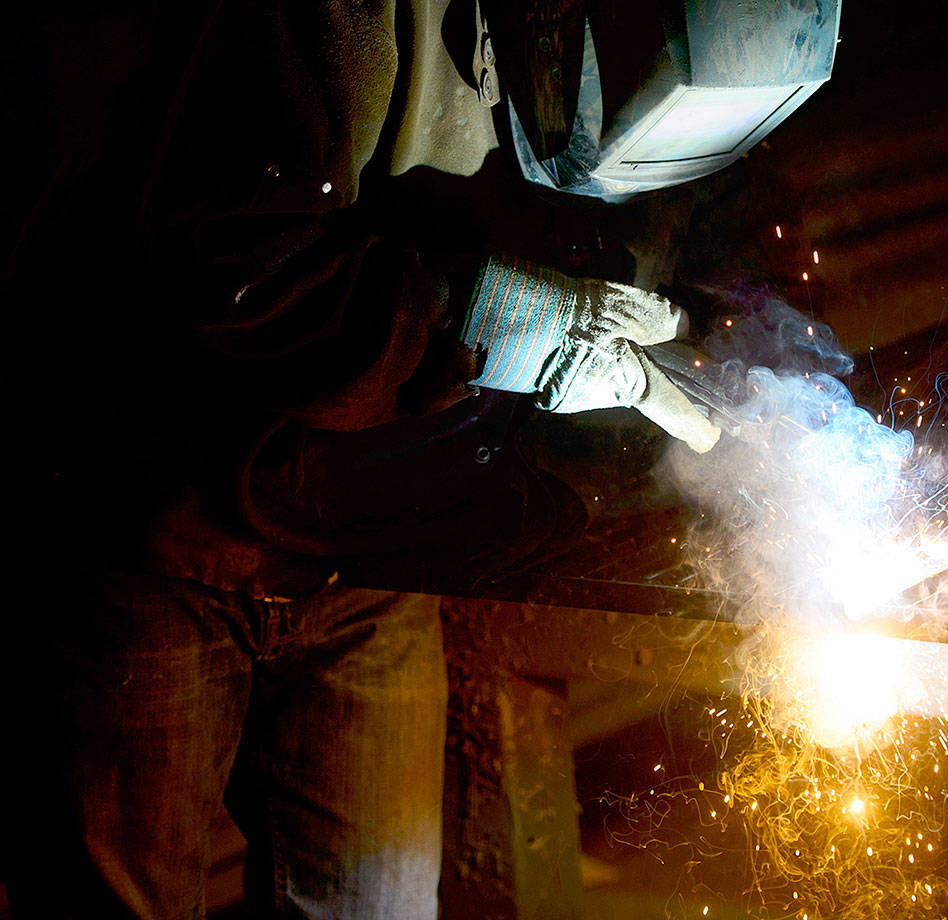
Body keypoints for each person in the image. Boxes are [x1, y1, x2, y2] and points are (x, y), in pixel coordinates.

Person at [6, 1, 840, 916]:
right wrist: (504, 321)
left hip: (374, 561)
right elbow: (232, 275)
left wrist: (730, 334)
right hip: (166, 544)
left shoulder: (723, 46)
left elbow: (717, 230)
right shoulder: (336, 23)